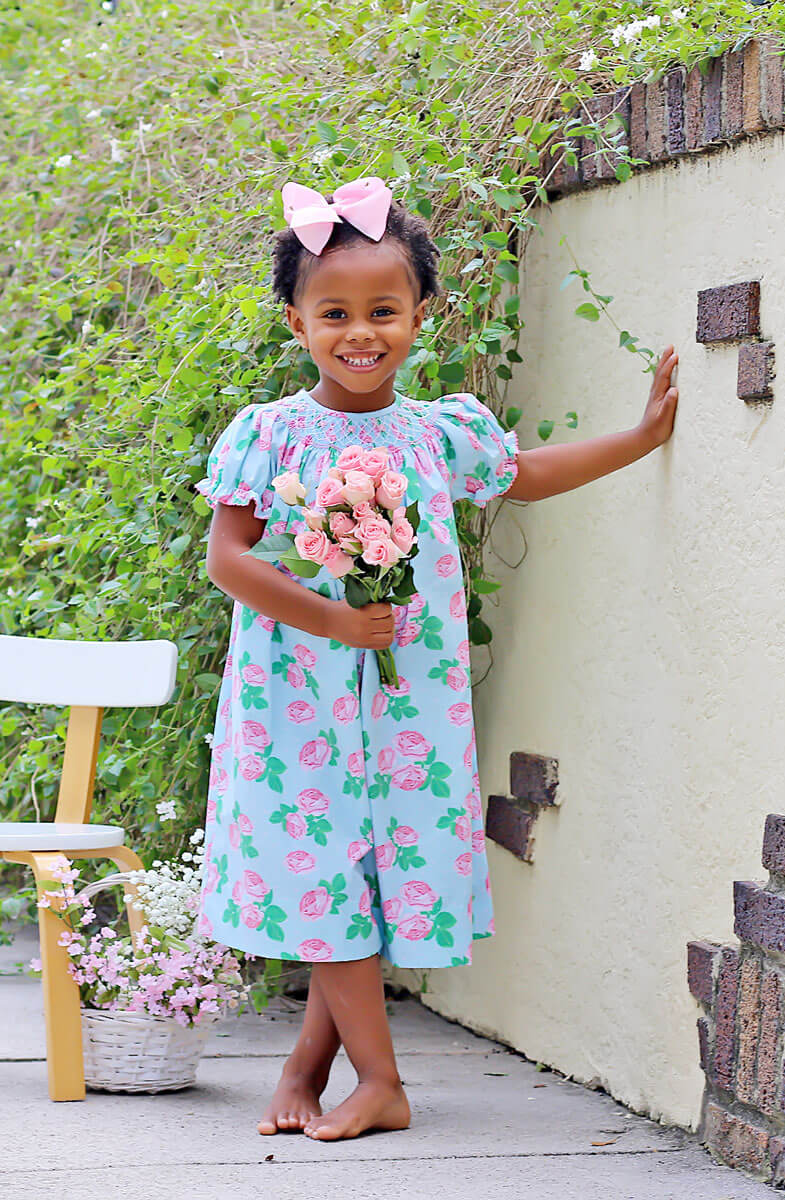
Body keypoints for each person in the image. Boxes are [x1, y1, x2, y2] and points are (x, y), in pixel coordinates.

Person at [193, 175, 679, 1142]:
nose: (359, 332)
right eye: (334, 314)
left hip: (411, 700)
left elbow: (526, 476)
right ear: (297, 323)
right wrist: (331, 624)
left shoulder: (435, 432)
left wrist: (639, 437)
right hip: (300, 702)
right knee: (322, 858)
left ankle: (310, 1063)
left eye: (383, 310)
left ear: (423, 313)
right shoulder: (272, 433)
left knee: (369, 869)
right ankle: (380, 1080)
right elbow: (228, 560)